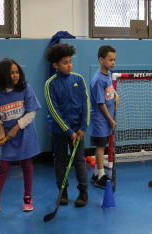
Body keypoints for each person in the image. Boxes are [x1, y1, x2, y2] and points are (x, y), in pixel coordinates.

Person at [0, 58, 41, 217]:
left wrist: (16, 127)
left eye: (17, 72)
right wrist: (1, 133)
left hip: (25, 133)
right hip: (8, 136)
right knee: (3, 167)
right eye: (11, 73)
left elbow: (32, 113)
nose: (15, 75)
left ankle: (27, 198)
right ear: (3, 76)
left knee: (26, 164)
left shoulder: (26, 88)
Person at [45, 43, 90, 206]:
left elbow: (86, 104)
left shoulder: (79, 79)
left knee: (79, 160)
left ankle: (83, 192)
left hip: (78, 131)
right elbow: (54, 111)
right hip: (60, 132)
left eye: (70, 61)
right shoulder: (50, 84)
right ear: (55, 65)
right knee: (60, 161)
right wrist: (68, 131)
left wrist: (82, 128)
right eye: (65, 62)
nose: (69, 65)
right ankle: (62, 192)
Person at [89, 45, 119, 189]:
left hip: (106, 120)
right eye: (110, 60)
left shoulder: (107, 74)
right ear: (101, 60)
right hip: (100, 120)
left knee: (102, 146)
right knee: (100, 147)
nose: (113, 62)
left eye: (114, 59)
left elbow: (109, 90)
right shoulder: (97, 80)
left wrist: (116, 95)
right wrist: (111, 120)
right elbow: (101, 104)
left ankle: (96, 174)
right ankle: (100, 176)